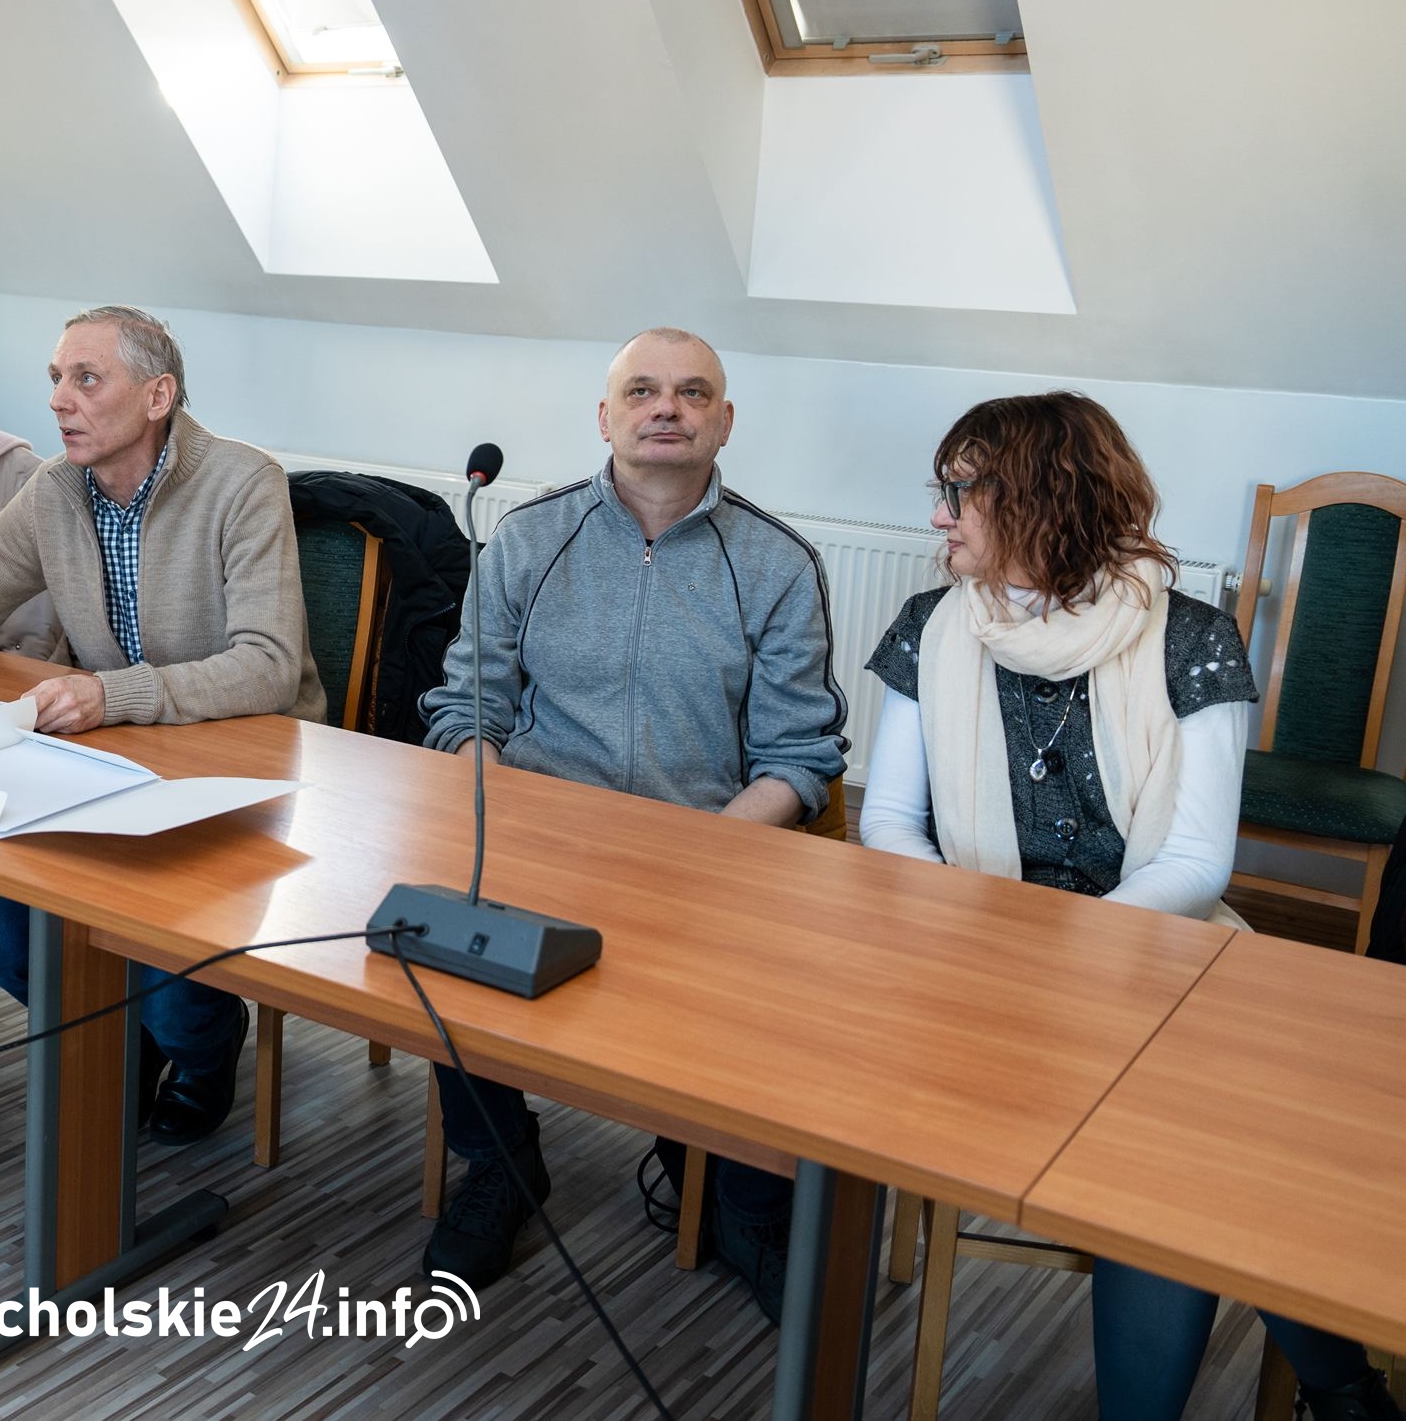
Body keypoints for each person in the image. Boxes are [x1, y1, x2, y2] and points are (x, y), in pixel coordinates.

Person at [858, 392, 1402, 1421]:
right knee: (1193, 1154)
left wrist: (1062, 957)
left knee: (1211, 1143)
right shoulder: (929, 626)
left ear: (1038, 496)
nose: (938, 515)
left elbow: (1196, 862)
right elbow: (886, 818)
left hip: (1158, 956)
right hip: (967, 968)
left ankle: (1335, 1386)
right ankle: (1344, 1391)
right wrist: (989, 947)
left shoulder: (1188, 635)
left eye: (958, 489)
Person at [416, 327, 847, 1309]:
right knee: (436, 928)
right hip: (537, 832)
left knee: (773, 988)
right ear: (604, 418)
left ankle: (739, 1198)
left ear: (723, 421)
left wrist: (701, 854)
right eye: (643, 391)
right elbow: (466, 703)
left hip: (711, 855)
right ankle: (499, 1164)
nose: (668, 407)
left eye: (693, 393)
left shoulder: (779, 562)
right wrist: (502, 805)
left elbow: (801, 753)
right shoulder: (529, 534)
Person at [0, 305, 326, 1143]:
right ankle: (127, 1036)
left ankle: (202, 1046)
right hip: (113, 763)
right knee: (4, 948)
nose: (60, 400)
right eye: (55, 379)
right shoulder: (55, 488)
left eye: (86, 379)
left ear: (158, 393)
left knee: (169, 973)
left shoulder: (244, 482)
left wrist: (113, 695)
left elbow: (271, 664)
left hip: (236, 765)